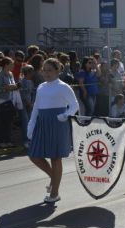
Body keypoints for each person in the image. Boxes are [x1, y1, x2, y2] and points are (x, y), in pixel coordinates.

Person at [27, 58, 79, 203]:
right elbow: (36, 107)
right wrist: (31, 125)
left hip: (57, 123)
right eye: (44, 70)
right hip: (42, 123)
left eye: (49, 70)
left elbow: (74, 106)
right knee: (34, 155)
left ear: (57, 70)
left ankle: (54, 193)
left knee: (55, 158)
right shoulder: (41, 87)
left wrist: (65, 115)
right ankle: (54, 177)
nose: (46, 73)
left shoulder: (63, 87)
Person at [0, 57, 19, 148]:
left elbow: (13, 85)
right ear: (6, 65)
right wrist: (9, 87)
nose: (13, 65)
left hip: (10, 100)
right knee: (2, 122)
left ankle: (8, 140)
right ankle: (1, 141)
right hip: (2, 101)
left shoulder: (10, 74)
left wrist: (13, 86)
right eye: (11, 64)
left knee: (9, 122)